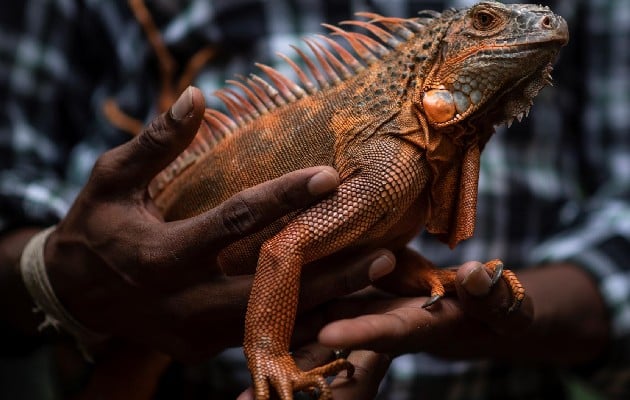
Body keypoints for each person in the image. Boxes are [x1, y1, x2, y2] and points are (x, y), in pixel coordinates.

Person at [0, 1, 628, 400]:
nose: (539, 24)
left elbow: (373, 243)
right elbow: (284, 248)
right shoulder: (390, 161)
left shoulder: (409, 157)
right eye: (487, 22)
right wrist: (52, 277)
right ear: (440, 56)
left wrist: (434, 282)